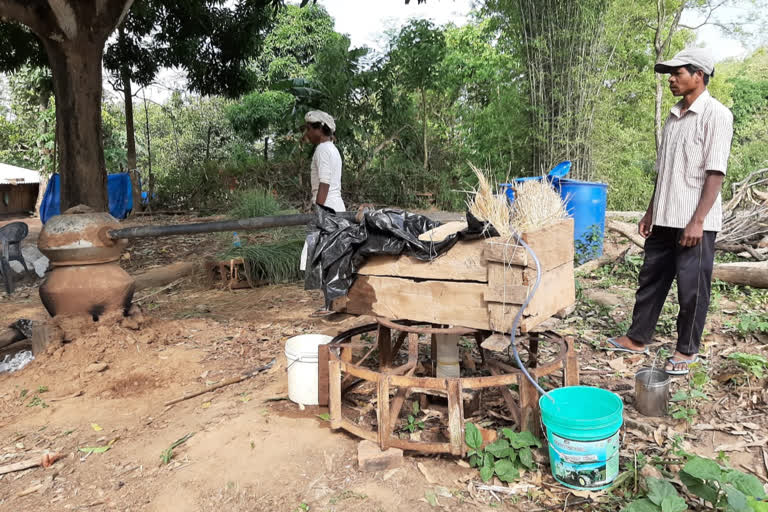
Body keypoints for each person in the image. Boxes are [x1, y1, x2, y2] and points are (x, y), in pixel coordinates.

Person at [605, 48, 733, 375]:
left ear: (698, 75)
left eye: (678, 73)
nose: (672, 79)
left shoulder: (716, 115)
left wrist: (698, 221)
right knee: (651, 279)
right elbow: (664, 173)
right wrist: (650, 212)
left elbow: (715, 173)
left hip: (694, 223)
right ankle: (637, 338)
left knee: (692, 289)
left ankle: (686, 351)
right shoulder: (674, 116)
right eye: (670, 74)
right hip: (665, 217)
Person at [299, 110, 345, 317]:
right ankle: (331, 303)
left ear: (320, 129)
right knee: (329, 258)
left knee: (324, 258)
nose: (307, 132)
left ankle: (330, 305)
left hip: (328, 207)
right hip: (334, 207)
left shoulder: (322, 150)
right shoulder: (332, 149)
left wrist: (319, 211)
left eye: (309, 128)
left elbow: (324, 184)